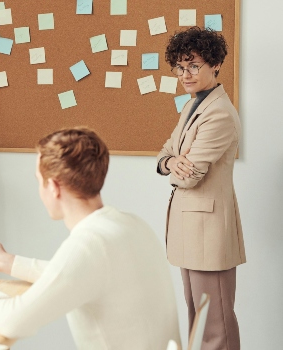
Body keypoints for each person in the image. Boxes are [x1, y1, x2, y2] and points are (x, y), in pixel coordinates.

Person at [0, 128, 180, 349]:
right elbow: (75, 275)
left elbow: (15, 319)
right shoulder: (129, 224)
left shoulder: (89, 245)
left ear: (53, 187)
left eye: (39, 181)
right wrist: (10, 263)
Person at [156, 27, 243, 350]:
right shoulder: (192, 106)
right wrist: (171, 162)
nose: (185, 74)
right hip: (190, 230)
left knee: (215, 327)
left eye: (193, 66)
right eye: (180, 67)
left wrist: (175, 165)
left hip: (209, 232)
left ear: (215, 64)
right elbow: (165, 153)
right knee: (198, 321)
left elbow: (190, 176)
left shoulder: (218, 114)